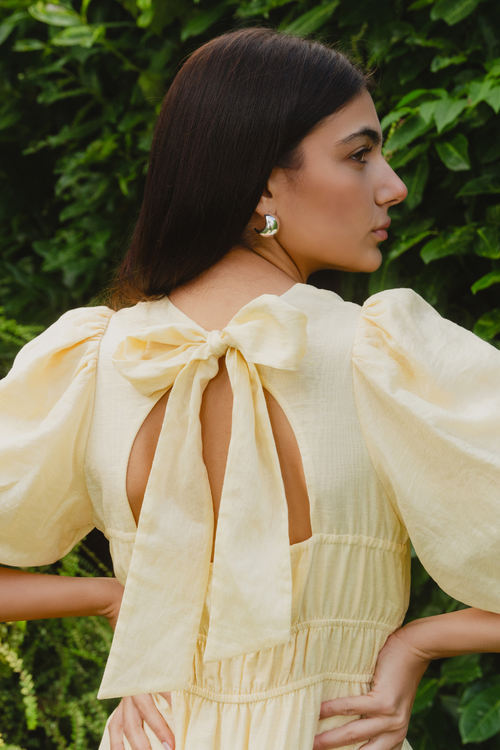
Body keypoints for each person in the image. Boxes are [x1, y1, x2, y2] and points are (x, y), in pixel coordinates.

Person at [0, 26, 499, 750]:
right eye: (360, 154)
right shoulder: (384, 357)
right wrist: (415, 644)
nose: (393, 185)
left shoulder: (100, 358)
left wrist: (114, 599)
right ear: (264, 181)